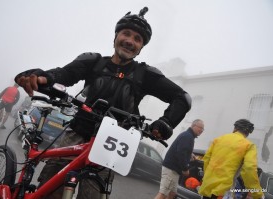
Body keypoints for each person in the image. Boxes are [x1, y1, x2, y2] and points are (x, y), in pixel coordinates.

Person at [14, 7, 192, 199]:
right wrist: (42, 77)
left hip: (110, 144)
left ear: (141, 48)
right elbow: (64, 74)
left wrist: (165, 123)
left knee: (92, 194)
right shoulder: (93, 61)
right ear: (116, 36)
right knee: (49, 191)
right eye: (126, 34)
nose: (130, 41)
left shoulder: (146, 74)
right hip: (78, 132)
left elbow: (182, 98)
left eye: (137, 39)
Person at [198, 119, 264, 199]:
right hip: (223, 192)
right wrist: (257, 194)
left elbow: (206, 160)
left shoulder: (218, 139)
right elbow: (249, 168)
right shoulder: (248, 145)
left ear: (235, 128)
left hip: (207, 189)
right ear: (247, 133)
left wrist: (207, 178)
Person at [155, 119, 204, 199]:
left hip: (174, 170)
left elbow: (182, 149)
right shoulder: (188, 136)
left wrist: (190, 154)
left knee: (172, 194)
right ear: (193, 126)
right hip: (171, 169)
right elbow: (181, 153)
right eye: (200, 127)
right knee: (163, 194)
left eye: (203, 129)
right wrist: (185, 168)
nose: (201, 130)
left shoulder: (188, 135)